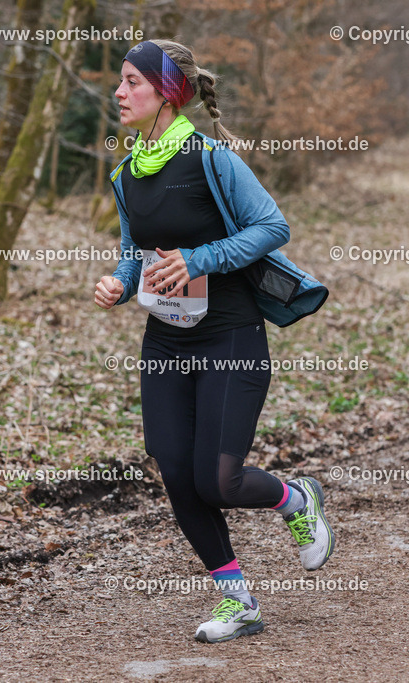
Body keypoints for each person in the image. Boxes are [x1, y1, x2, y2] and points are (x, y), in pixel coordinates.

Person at [94, 39, 333, 644]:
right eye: (119, 82)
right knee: (176, 471)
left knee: (218, 481)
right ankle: (238, 600)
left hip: (231, 335)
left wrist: (199, 258)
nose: (119, 93)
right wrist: (119, 283)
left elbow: (273, 226)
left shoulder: (210, 160)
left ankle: (295, 499)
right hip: (166, 341)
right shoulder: (126, 174)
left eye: (131, 82)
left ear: (167, 91)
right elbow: (134, 253)